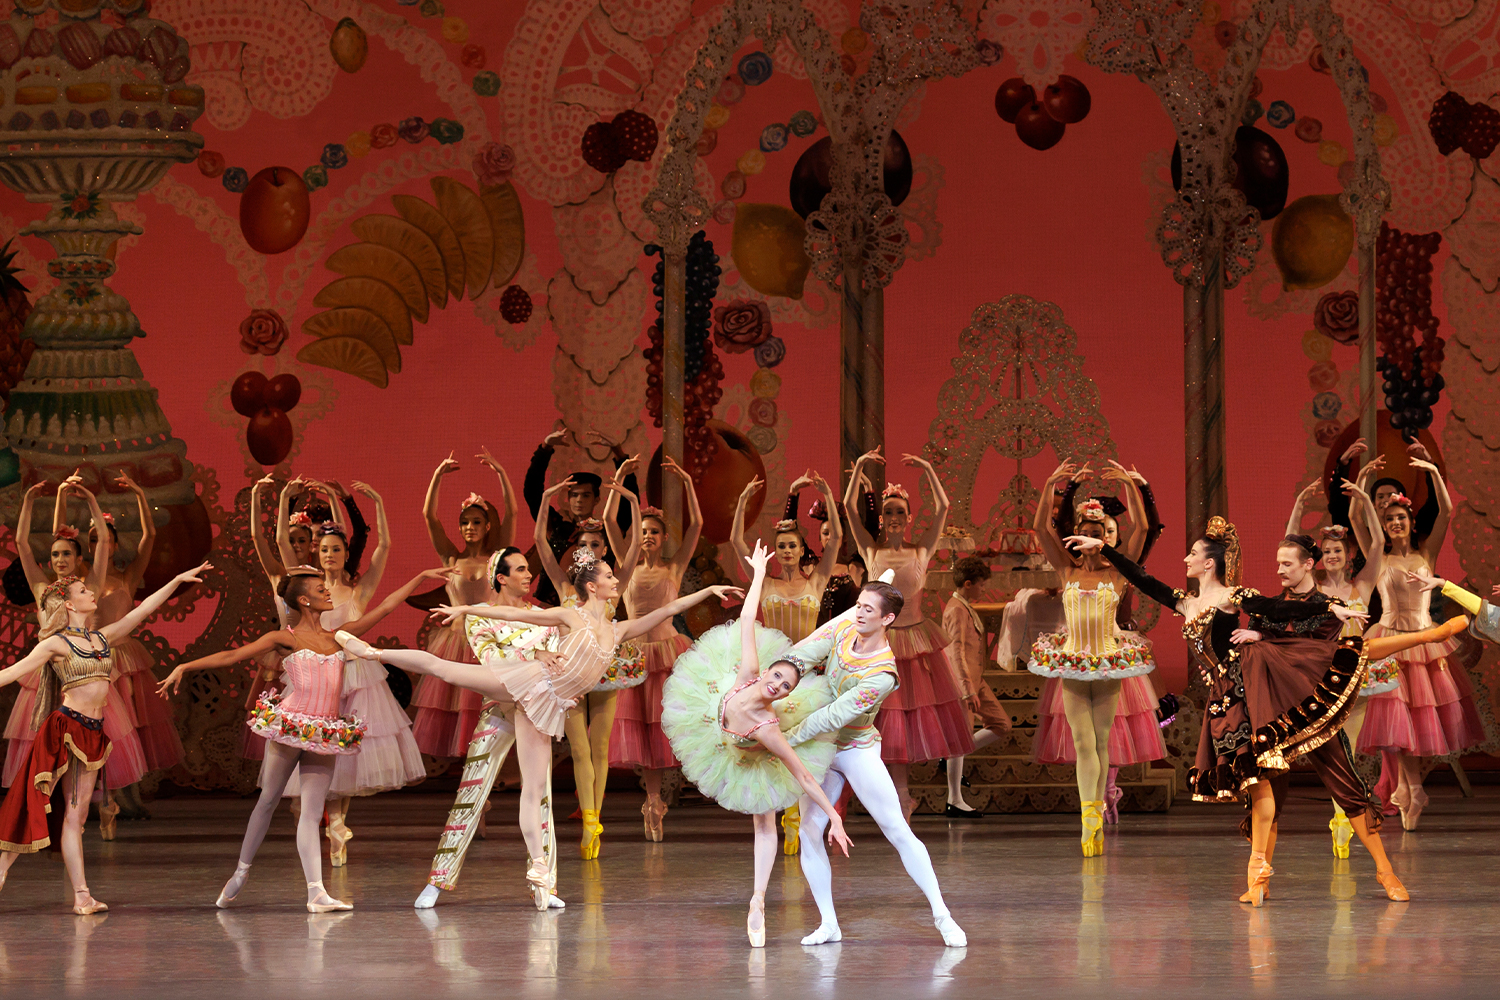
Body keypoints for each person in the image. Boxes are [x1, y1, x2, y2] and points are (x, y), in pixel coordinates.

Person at [1066, 522, 1467, 904]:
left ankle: (1385, 870)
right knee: (1263, 789)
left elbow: (1277, 608)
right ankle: (1257, 880)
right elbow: (1144, 580)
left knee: (1343, 765)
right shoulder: (1185, 602)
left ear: (1209, 563)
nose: (1185, 558)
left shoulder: (1233, 596)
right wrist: (1104, 550)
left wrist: (1332, 609)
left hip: (1273, 690)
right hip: (1233, 704)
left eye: (1192, 554)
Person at [337, 550, 742, 909]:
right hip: (517, 688)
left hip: (545, 705)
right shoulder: (569, 615)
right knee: (446, 670)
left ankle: (540, 877)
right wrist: (465, 612)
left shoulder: (617, 630)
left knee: (536, 790)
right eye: (608, 575)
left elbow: (667, 611)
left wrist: (709, 592)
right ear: (591, 585)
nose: (616, 580)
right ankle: (372, 651)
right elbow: (509, 616)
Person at [158, 565, 453, 912]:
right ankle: (240, 872)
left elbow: (385, 607)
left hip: (325, 731)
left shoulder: (339, 637)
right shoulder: (285, 638)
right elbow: (231, 655)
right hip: (290, 725)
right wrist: (183, 667)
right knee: (268, 800)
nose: (327, 591)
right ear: (303, 600)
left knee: (312, 814)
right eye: (319, 588)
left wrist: (418, 578)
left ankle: (316, 893)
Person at [661, 541, 852, 947]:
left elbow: (801, 774)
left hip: (752, 760)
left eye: (785, 686)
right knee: (762, 823)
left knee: (765, 825)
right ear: (766, 670)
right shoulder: (748, 672)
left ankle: (758, 900)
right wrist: (760, 574)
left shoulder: (768, 727)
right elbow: (747, 618)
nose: (777, 684)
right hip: (717, 732)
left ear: (785, 696)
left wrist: (832, 814)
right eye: (777, 676)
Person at [0, 561, 208, 913]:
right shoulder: (55, 645)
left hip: (94, 733)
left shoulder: (101, 637)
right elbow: (10, 673)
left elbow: (141, 612)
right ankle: (2, 870)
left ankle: (82, 896)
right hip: (63, 731)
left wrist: (175, 579)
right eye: (83, 591)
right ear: (68, 603)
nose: (92, 592)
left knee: (77, 817)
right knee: (32, 803)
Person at [779, 573, 967, 947]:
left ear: (887, 619)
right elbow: (805, 651)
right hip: (819, 747)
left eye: (867, 609)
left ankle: (943, 916)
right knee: (808, 830)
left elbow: (834, 716)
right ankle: (828, 923)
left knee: (896, 828)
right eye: (858, 605)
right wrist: (777, 675)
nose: (858, 612)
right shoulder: (845, 629)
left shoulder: (883, 674)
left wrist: (786, 741)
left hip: (854, 748)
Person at [415, 546, 561, 909]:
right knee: (471, 793)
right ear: (502, 577)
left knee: (541, 797)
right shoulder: (479, 618)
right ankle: (438, 879)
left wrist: (546, 663)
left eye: (529, 570)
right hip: (498, 709)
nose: (529, 576)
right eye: (522, 570)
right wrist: (534, 656)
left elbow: (557, 659)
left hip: (535, 713)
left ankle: (546, 887)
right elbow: (492, 660)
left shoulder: (544, 617)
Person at [287, 483, 426, 866]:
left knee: (348, 751)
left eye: (336, 549)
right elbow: (283, 554)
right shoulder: (308, 588)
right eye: (324, 549)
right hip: (319, 676)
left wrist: (379, 501)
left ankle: (339, 821)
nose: (329, 555)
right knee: (321, 747)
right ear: (316, 551)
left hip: (356, 676)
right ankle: (330, 819)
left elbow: (383, 549)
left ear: (346, 553)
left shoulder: (358, 590)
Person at [1029, 461, 1158, 854]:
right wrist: (1052, 484)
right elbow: (1039, 530)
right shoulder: (1066, 570)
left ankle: (1097, 812)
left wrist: (1135, 489)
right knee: (1082, 741)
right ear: (1074, 537)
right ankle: (1087, 817)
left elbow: (1143, 530)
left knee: (1101, 740)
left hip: (1107, 661)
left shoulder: (1119, 573)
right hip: (1072, 660)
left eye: (1096, 534)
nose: (1088, 539)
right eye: (1083, 533)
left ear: (1105, 539)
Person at [9, 476, 145, 841]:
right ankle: (41, 823)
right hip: (47, 671)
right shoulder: (41, 586)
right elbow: (21, 542)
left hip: (81, 674)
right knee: (46, 753)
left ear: (78, 558)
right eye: (54, 554)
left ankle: (101, 807)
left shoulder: (89, 588)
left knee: (92, 748)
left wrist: (89, 500)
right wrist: (28, 500)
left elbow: (102, 548)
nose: (59, 560)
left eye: (66, 553)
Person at [844, 447, 974, 820]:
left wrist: (929, 469)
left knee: (907, 719)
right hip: (881, 644)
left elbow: (945, 507)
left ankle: (902, 795)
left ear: (909, 516)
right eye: (888, 512)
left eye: (901, 511)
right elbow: (851, 511)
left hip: (915, 642)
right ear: (882, 519)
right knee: (886, 719)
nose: (894, 517)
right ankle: (896, 795)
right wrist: (859, 473)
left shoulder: (921, 550)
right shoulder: (871, 550)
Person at [1355, 458, 1483, 829]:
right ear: (1383, 524)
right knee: (1397, 722)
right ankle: (1410, 789)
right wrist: (1363, 485)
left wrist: (1433, 471)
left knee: (1414, 719)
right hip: (1390, 641)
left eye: (1402, 518)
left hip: (1425, 642)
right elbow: (1355, 519)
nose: (1396, 523)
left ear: (1411, 522)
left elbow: (1446, 510)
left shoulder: (1426, 553)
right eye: (1390, 518)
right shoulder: (1377, 556)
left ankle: (1410, 790)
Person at [51, 472, 180, 822]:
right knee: (100, 727)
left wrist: (140, 492)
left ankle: (129, 795)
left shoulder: (127, 575)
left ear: (115, 541)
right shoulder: (83, 578)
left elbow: (150, 536)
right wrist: (66, 498)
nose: (100, 543)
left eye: (105, 537)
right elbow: (57, 536)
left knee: (129, 729)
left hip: (124, 657)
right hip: (95, 657)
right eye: (93, 538)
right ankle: (99, 797)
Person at [535, 466, 644, 858]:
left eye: (597, 545)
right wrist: (547, 501)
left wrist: (633, 503)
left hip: (603, 670)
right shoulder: (565, 586)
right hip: (567, 672)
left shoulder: (611, 589)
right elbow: (540, 544)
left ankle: (593, 820)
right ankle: (587, 819)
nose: (591, 551)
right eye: (584, 544)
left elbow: (631, 553)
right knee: (578, 750)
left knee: (600, 749)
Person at [731, 469, 843, 849]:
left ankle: (801, 821)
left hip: (806, 675)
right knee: (774, 750)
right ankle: (779, 819)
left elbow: (838, 540)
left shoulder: (816, 579)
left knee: (801, 748)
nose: (787, 551)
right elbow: (735, 541)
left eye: (793, 545)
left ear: (801, 548)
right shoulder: (769, 584)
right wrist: (744, 502)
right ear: (776, 552)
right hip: (774, 675)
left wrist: (826, 492)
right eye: (781, 547)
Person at [1286, 476, 1393, 856]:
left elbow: (1379, 544)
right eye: (1326, 551)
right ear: (1318, 558)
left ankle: (1341, 819)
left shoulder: (1362, 586)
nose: (1333, 555)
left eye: (1338, 550)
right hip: (1322, 676)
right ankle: (1342, 817)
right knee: (1334, 750)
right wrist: (1299, 506)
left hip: (1358, 675)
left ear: (1348, 555)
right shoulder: (1309, 587)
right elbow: (1290, 546)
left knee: (1346, 750)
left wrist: (1365, 500)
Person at [610, 457, 703, 841]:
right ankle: (652, 800)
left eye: (653, 532)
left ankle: (665, 794)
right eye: (642, 531)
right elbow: (609, 524)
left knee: (666, 727)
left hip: (667, 652)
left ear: (663, 538)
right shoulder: (625, 566)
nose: (647, 535)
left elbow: (697, 525)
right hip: (634, 654)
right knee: (644, 731)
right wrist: (617, 481)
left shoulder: (673, 567)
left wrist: (687, 483)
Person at [409, 451, 516, 757]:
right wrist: (437, 476)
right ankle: (466, 786)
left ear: (486, 526)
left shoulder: (497, 558)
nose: (470, 527)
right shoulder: (451, 558)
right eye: (465, 522)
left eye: (477, 522)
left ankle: (484, 781)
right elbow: (429, 517)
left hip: (488, 643)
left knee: (486, 711)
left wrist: (501, 474)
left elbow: (512, 514)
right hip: (454, 642)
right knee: (457, 711)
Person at [524, 429, 641, 607]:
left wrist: (619, 454)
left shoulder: (606, 533)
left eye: (585, 495)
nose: (579, 500)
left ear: (596, 500)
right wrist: (545, 448)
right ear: (568, 498)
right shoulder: (557, 529)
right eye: (574, 495)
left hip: (598, 611)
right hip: (556, 610)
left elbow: (628, 504)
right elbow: (532, 492)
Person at [942, 556, 1012, 809]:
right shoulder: (956, 609)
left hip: (975, 680)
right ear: (968, 583)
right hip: (963, 684)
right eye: (982, 585)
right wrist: (966, 689)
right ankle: (954, 799)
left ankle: (952, 754)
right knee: (960, 737)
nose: (984, 589)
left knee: (1001, 724)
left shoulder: (964, 606)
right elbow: (955, 651)